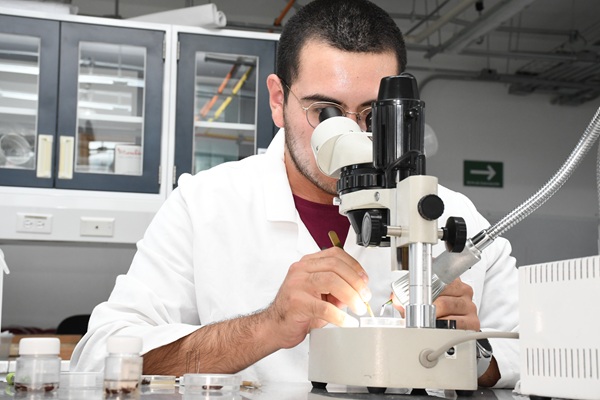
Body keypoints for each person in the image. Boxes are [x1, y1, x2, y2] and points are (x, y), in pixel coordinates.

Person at [71, 0, 519, 389]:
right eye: (325, 112)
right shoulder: (204, 204)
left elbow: (538, 354)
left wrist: (474, 355)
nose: (353, 137)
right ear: (277, 100)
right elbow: (100, 357)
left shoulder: (455, 215)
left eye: (371, 116)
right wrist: (265, 327)